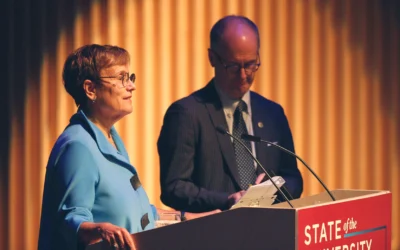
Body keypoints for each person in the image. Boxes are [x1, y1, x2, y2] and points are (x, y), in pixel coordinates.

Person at [157, 15, 303, 213]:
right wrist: (226, 200)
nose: (243, 75)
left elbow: (293, 178)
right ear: (212, 58)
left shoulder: (273, 113)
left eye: (251, 64)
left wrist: (277, 187)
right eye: (233, 66)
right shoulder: (186, 114)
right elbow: (174, 187)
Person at [38, 44, 156, 250]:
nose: (131, 86)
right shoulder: (78, 146)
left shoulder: (111, 141)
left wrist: (190, 217)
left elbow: (139, 213)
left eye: (130, 77)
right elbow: (70, 219)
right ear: (91, 89)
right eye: (121, 78)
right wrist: (101, 230)